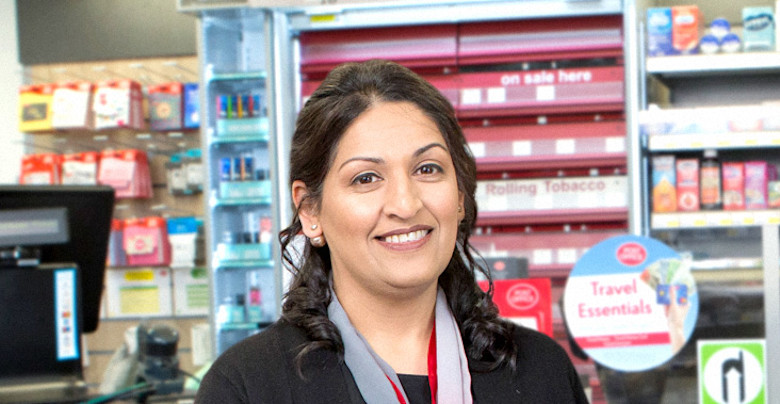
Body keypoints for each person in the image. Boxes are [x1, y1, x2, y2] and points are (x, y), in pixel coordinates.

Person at [195, 59, 589, 404]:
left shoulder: (539, 372)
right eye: (366, 178)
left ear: (460, 196)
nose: (405, 203)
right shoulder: (249, 386)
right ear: (310, 210)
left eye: (427, 169)